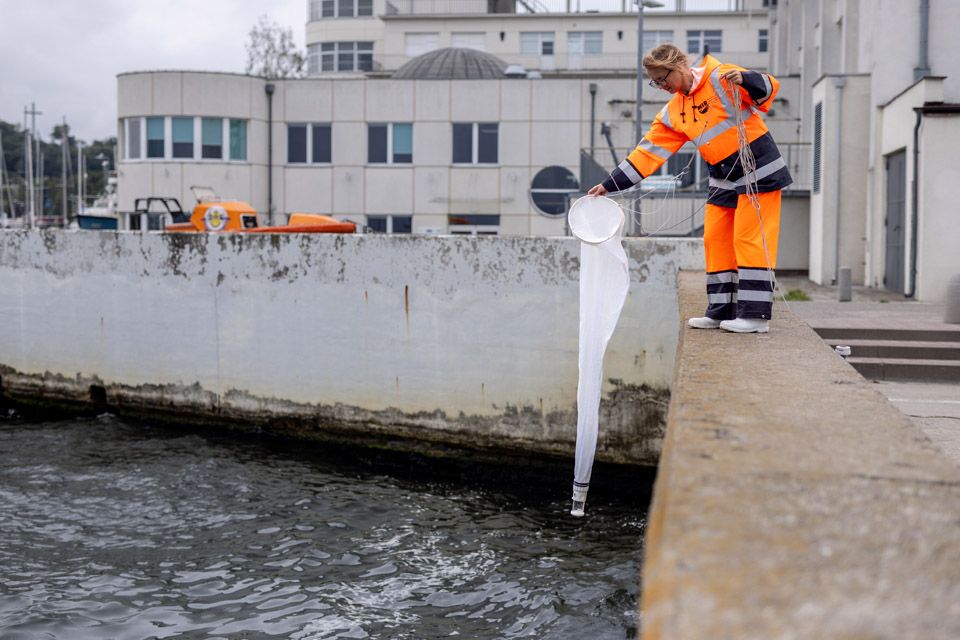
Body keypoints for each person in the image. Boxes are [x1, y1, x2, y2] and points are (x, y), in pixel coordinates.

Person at [588, 43, 791, 334]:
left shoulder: (721, 76)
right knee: (715, 239)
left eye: (663, 79)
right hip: (722, 175)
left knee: (750, 239)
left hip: (758, 168)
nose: (661, 86)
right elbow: (647, 153)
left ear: (679, 66)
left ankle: (756, 316)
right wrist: (609, 185)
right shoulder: (674, 113)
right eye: (655, 82)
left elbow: (769, 89)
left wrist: (746, 79)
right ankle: (721, 311)